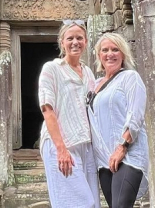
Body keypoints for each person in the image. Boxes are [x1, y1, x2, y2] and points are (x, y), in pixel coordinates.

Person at [37, 19, 100, 208]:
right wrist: (61, 149)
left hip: (86, 144)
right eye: (70, 38)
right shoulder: (52, 68)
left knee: (93, 202)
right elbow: (47, 109)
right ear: (61, 42)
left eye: (79, 38)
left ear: (86, 42)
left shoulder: (88, 72)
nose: (75, 42)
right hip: (62, 143)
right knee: (77, 202)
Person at [87, 33, 149, 208]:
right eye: (105, 50)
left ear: (123, 54)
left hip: (128, 154)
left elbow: (136, 116)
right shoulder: (95, 84)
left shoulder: (130, 77)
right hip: (103, 160)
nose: (110, 54)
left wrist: (123, 146)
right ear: (99, 55)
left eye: (115, 50)